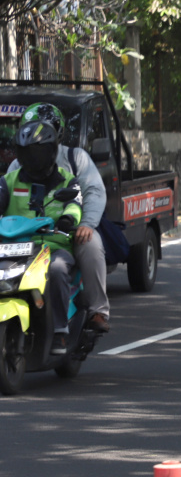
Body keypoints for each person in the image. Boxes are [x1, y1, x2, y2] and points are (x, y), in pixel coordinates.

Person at [10, 103, 109, 333]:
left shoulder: (75, 159)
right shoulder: (17, 167)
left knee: (91, 245)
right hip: (25, 236)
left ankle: (98, 310)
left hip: (68, 232)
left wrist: (86, 224)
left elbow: (93, 192)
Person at [0, 120, 83, 354]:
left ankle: (60, 331)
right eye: (26, 152)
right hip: (13, 249)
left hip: (53, 247)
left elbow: (75, 205)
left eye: (36, 152)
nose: (31, 158)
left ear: (51, 151)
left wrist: (68, 219)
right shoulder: (9, 180)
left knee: (57, 270)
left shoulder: (67, 180)